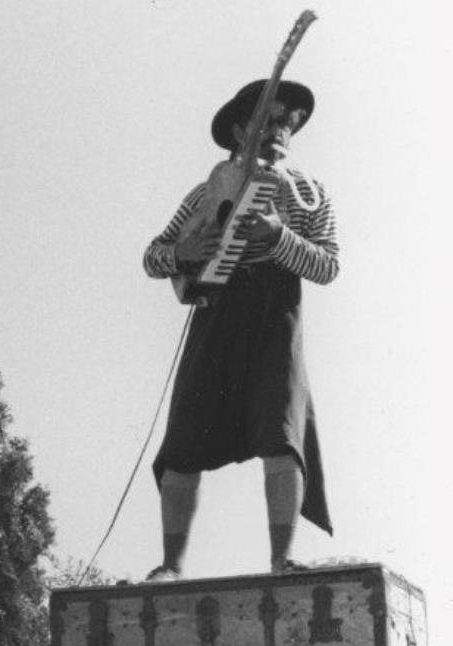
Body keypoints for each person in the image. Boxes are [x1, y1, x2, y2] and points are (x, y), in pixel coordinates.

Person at [143, 78, 339, 580]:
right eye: (267, 121)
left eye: (286, 122)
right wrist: (183, 254)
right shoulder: (205, 193)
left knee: (281, 430)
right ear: (238, 130)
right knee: (185, 438)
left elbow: (328, 266)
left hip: (276, 314)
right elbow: (152, 256)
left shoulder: (309, 194)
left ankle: (281, 559)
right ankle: (171, 565)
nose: (280, 131)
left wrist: (279, 238)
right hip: (217, 310)